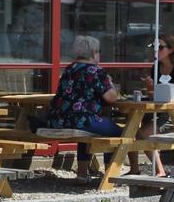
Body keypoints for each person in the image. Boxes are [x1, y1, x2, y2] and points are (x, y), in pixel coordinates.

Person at [45, 35, 121, 184]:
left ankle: (81, 174)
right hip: (83, 120)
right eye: (99, 51)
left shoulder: (69, 69)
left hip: (60, 120)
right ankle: (109, 175)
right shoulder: (96, 71)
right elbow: (112, 98)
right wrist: (111, 84)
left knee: (86, 135)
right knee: (118, 132)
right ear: (94, 53)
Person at [136, 36, 174, 177]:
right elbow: (154, 95)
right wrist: (149, 87)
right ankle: (135, 168)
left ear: (171, 50)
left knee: (144, 133)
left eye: (160, 47)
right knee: (133, 131)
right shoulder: (156, 67)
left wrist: (162, 93)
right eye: (154, 47)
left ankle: (160, 170)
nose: (156, 50)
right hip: (157, 111)